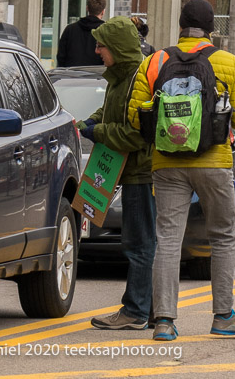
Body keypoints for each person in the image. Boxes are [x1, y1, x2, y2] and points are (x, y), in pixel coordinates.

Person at [127, 0, 235, 341]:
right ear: (211, 28)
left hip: (167, 163)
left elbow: (134, 116)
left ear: (181, 25)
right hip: (213, 162)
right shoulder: (227, 63)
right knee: (224, 236)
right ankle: (223, 315)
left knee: (168, 239)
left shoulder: (155, 61)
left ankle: (165, 321)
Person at [81, 16, 156, 331]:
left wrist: (97, 131)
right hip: (131, 173)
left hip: (141, 174)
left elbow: (135, 135)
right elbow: (111, 111)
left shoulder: (137, 79)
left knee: (139, 244)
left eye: (102, 45)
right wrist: (89, 121)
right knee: (142, 242)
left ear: (119, 48)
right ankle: (149, 309)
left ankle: (136, 311)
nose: (97, 50)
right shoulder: (120, 78)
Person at [56, 0, 106, 67]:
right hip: (97, 76)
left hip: (71, 76)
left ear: (87, 8)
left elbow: (61, 57)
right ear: (103, 12)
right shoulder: (106, 32)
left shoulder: (70, 29)